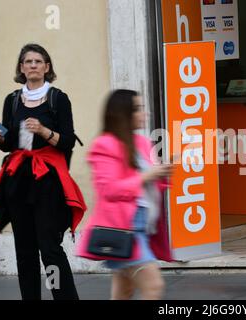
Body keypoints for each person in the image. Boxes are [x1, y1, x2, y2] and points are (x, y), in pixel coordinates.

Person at [0, 43, 86, 300]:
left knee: (50, 249)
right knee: (24, 250)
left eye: (38, 61)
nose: (32, 66)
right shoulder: (12, 100)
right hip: (18, 181)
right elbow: (9, 144)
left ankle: (63, 297)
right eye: (27, 62)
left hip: (48, 182)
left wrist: (43, 131)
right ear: (21, 68)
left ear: (47, 67)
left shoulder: (58, 98)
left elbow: (67, 142)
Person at [76, 89, 174, 300]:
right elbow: (109, 189)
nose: (144, 113)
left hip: (144, 228)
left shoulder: (141, 143)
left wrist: (163, 171)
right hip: (123, 230)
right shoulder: (104, 145)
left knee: (124, 292)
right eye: (138, 109)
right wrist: (148, 175)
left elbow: (149, 182)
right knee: (154, 285)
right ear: (122, 113)